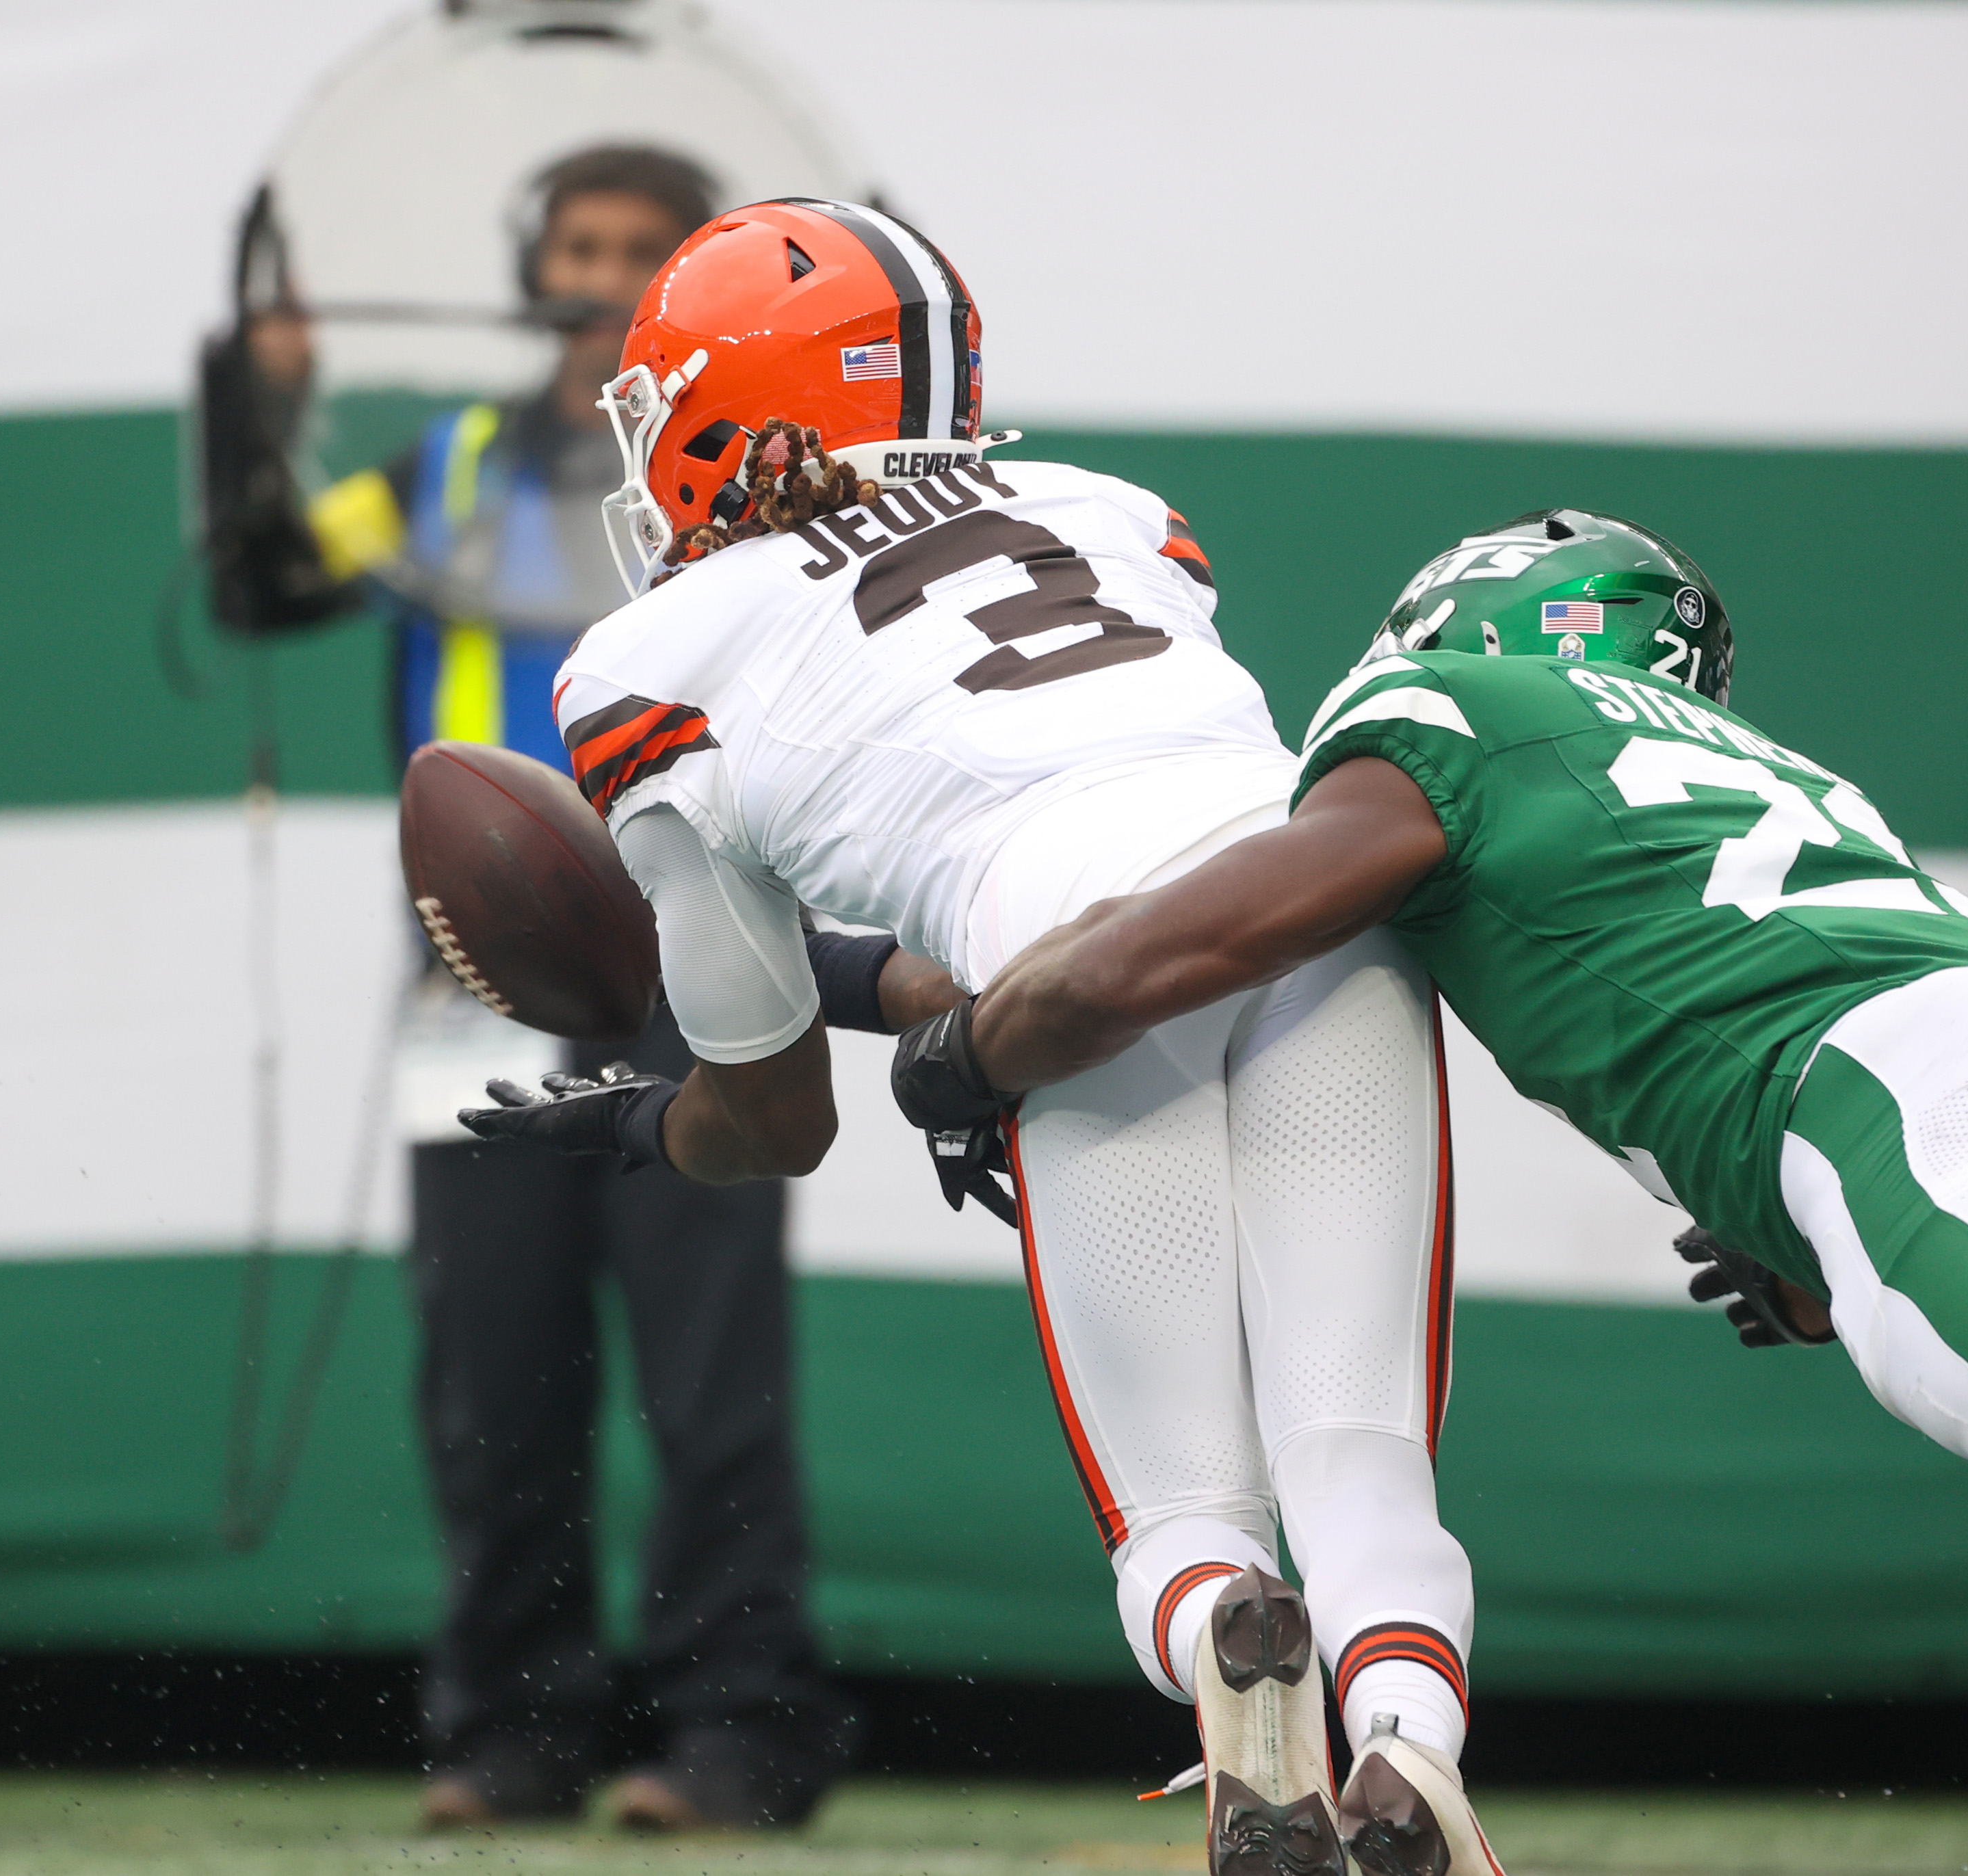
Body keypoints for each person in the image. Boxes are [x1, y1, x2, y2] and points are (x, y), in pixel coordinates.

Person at [891, 507, 1968, 1829]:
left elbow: (1172, 949)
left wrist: (980, 1042)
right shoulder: (1755, 759)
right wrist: (1813, 1254)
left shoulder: (1438, 713)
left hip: (1873, 1082)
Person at [456, 198, 1504, 1876]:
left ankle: (1234, 1636)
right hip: (1312, 881)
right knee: (1358, 1432)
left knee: (1181, 1510)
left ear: (728, 410)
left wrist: (646, 1123)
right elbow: (1072, 803)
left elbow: (774, 1112)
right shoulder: (1107, 513)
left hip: (1060, 943)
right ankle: (1405, 1744)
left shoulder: (650, 662)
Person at [208, 148, 863, 1832]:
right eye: (574, 246)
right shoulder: (447, 464)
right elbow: (261, 579)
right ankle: (513, 1731)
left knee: (711, 1369)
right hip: (479, 980)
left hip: (701, 951)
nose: (596, 275)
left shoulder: (746, 488)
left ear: (674, 293)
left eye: (637, 254)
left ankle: (739, 1733)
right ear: (531, 268)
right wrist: (250, 402)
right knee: (491, 1366)